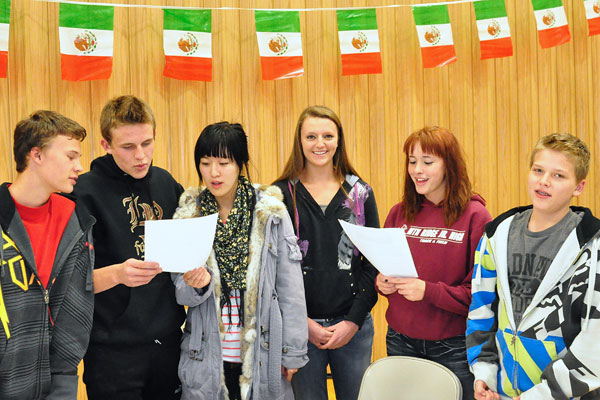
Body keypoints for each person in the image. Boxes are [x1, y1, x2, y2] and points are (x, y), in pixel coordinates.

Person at [171, 121, 308, 400]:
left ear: (240, 164)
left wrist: (292, 352)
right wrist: (198, 284)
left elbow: (290, 287)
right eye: (205, 163)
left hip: (263, 354)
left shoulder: (269, 213)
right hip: (205, 356)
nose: (214, 172)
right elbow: (180, 292)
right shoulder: (189, 215)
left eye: (224, 163)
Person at [466, 133, 600, 400]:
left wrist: (540, 395)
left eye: (558, 175)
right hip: (504, 392)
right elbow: (481, 309)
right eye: (538, 170)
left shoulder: (592, 247)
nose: (544, 181)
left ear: (578, 187)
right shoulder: (496, 235)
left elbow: (594, 341)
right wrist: (485, 374)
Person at [73, 96, 186, 400]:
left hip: (168, 343)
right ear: (106, 144)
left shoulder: (166, 183)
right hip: (111, 351)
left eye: (147, 143)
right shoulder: (82, 193)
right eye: (128, 147)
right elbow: (68, 282)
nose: (140, 156)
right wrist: (117, 274)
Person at [376, 126, 492, 400]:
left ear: (449, 166)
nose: (417, 170)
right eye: (412, 161)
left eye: (428, 162)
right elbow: (384, 273)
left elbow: (480, 295)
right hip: (400, 340)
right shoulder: (398, 213)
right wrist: (382, 283)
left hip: (453, 347)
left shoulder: (476, 216)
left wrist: (428, 291)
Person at [273, 105, 379, 400]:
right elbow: (272, 270)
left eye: (328, 136)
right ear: (299, 140)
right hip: (299, 331)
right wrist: (301, 324)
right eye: (311, 136)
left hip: (353, 329)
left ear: (339, 139)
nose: (319, 144)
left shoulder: (360, 193)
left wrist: (353, 321)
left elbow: (373, 265)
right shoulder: (279, 195)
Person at [0, 110, 94, 399]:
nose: (79, 166)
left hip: (54, 387)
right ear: (37, 155)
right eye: (70, 157)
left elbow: (74, 315)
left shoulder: (76, 221)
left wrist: (64, 388)